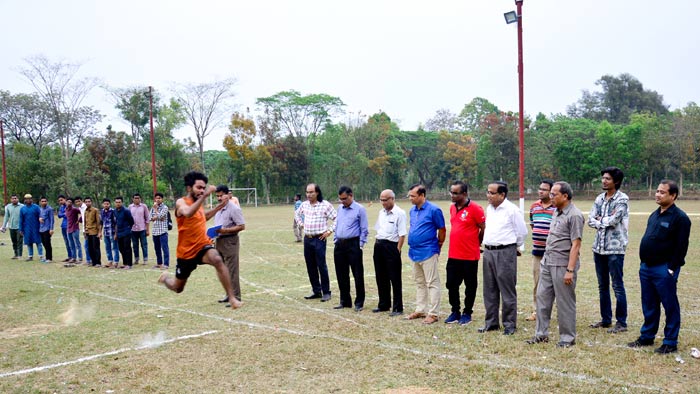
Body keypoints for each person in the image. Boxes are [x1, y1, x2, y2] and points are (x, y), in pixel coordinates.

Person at [158, 171, 242, 310]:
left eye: (204, 188)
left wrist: (219, 207)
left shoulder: (198, 203)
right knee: (177, 287)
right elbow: (188, 213)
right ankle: (165, 279)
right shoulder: (181, 202)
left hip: (202, 245)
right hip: (186, 252)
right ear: (189, 188)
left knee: (217, 259)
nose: (202, 190)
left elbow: (204, 217)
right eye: (199, 187)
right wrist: (205, 196)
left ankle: (232, 298)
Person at [628, 180, 691, 354]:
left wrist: (671, 269)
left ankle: (670, 341)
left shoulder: (680, 218)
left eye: (663, 192)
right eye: (657, 191)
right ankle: (647, 336)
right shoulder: (654, 215)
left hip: (664, 269)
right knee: (649, 304)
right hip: (646, 268)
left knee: (669, 305)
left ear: (673, 196)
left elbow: (681, 247)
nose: (658, 194)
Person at [526, 182, 583, 348]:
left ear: (565, 196)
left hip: (562, 264)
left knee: (565, 302)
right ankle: (541, 334)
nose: (550, 197)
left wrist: (570, 270)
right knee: (542, 298)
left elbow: (576, 244)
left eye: (554, 194)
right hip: (547, 262)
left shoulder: (574, 215)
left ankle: (567, 338)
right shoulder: (556, 212)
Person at [479, 181, 528, 335]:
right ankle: (491, 323)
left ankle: (509, 324)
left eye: (492, 193)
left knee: (507, 290)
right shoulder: (490, 208)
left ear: (502, 195)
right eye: (488, 192)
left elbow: (522, 232)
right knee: (489, 289)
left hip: (505, 252)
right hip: (488, 252)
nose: (489, 195)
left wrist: (514, 247)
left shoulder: (512, 210)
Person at [588, 166, 629, 333]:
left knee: (617, 285)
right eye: (603, 178)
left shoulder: (622, 199)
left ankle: (621, 322)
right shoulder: (600, 198)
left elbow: (614, 220)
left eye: (607, 179)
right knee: (602, 285)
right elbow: (590, 220)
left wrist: (600, 220)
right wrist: (600, 220)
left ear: (616, 181)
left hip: (615, 249)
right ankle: (606, 319)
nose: (604, 181)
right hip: (599, 248)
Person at [444, 181, 485, 325]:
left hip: (469, 255)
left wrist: (477, 242)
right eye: (451, 192)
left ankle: (467, 312)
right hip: (453, 254)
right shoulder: (452, 208)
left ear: (464, 194)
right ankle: (455, 311)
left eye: (455, 193)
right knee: (451, 284)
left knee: (470, 285)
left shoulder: (475, 208)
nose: (452, 195)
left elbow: (483, 228)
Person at [404, 184, 446, 325]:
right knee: (419, 282)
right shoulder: (412, 210)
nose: (410, 198)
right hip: (414, 252)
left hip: (428, 251)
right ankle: (420, 309)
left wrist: (438, 245)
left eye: (413, 196)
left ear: (422, 196)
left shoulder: (434, 210)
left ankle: (433, 314)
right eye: (409, 195)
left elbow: (442, 229)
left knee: (432, 283)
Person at [294, 183, 337, 302]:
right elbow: (297, 214)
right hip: (307, 239)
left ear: (317, 192)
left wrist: (329, 231)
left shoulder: (325, 205)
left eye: (311, 192)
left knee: (321, 265)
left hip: (319, 239)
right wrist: (301, 224)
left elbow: (337, 218)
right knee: (310, 265)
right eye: (307, 192)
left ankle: (326, 292)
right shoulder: (304, 205)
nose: (309, 195)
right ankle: (316, 290)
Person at [332, 186, 369, 312]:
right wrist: (336, 240)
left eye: (345, 198)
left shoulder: (360, 209)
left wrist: (360, 245)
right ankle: (345, 301)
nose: (343, 201)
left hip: (353, 244)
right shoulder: (340, 209)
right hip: (340, 245)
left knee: (357, 274)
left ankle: (359, 302)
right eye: (340, 199)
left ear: (351, 195)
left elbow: (364, 229)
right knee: (341, 274)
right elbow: (337, 224)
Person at [372, 189, 407, 316]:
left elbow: (402, 234)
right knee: (381, 277)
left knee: (395, 278)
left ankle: (398, 308)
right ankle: (384, 304)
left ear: (392, 199)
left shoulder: (400, 213)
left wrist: (397, 249)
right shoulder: (381, 212)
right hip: (379, 245)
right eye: (381, 200)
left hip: (392, 246)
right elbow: (379, 229)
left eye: (385, 200)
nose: (383, 202)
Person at [526, 179, 556, 322]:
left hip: (554, 253)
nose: (540, 191)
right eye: (540, 188)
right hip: (538, 253)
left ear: (551, 192)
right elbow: (534, 226)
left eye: (544, 189)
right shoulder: (534, 207)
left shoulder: (557, 208)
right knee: (537, 283)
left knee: (556, 284)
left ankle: (556, 311)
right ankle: (537, 311)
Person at [214, 185, 245, 306]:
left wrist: (225, 231)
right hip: (219, 241)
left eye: (221, 195)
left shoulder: (234, 209)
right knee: (222, 269)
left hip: (230, 241)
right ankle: (228, 294)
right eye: (217, 196)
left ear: (228, 195)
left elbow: (241, 226)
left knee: (232, 270)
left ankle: (236, 296)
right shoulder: (218, 209)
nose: (219, 198)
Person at [19, 194, 43, 261]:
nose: (28, 200)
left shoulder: (36, 207)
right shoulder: (22, 209)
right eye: (27, 199)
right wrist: (20, 229)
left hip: (36, 227)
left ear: (31, 199)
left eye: (29, 199)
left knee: (38, 242)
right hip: (27, 228)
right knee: (29, 242)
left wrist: (41, 226)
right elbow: (21, 219)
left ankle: (41, 255)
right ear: (25, 200)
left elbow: (40, 216)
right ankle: (30, 256)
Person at [150, 192, 170, 269]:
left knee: (164, 248)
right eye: (156, 198)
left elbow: (161, 216)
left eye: (159, 198)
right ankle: (159, 263)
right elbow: (151, 218)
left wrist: (156, 210)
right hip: (155, 231)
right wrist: (157, 216)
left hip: (163, 231)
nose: (158, 200)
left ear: (162, 199)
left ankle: (166, 264)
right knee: (157, 248)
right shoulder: (152, 207)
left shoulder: (165, 207)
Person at [114, 197, 135, 269]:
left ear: (122, 202)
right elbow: (115, 223)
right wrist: (116, 234)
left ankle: (129, 264)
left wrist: (128, 229)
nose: (118, 204)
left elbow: (131, 221)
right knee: (121, 248)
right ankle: (125, 263)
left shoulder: (126, 211)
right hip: (119, 233)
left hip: (126, 232)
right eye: (116, 202)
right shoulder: (115, 211)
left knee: (127, 248)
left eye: (119, 202)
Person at [129, 193, 150, 264]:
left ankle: (145, 259)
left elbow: (147, 218)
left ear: (140, 199)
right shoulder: (130, 207)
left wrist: (147, 229)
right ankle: (136, 259)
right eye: (135, 198)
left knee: (144, 244)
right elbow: (129, 218)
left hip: (142, 229)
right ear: (133, 199)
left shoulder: (144, 206)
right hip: (133, 229)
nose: (137, 199)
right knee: (135, 245)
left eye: (138, 198)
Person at [1, 194, 24, 259]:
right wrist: (4, 226)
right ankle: (16, 254)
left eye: (15, 198)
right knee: (14, 241)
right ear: (11, 200)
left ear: (18, 199)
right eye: (13, 198)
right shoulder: (8, 206)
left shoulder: (22, 206)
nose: (14, 199)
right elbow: (6, 217)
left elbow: (25, 216)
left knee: (19, 241)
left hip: (19, 227)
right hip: (11, 227)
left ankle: (20, 255)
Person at [83, 197, 102, 267]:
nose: (88, 203)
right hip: (88, 232)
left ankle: (98, 262)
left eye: (89, 201)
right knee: (90, 247)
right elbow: (85, 222)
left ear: (91, 202)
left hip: (94, 231)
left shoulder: (95, 210)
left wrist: (99, 232)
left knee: (96, 247)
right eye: (86, 202)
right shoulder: (85, 211)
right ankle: (93, 262)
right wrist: (85, 231)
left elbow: (98, 222)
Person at [101, 198, 119, 268]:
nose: (106, 205)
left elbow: (116, 223)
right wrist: (100, 232)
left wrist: (115, 234)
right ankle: (110, 261)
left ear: (110, 204)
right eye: (105, 204)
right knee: (107, 247)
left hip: (112, 232)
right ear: (102, 204)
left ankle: (116, 262)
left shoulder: (113, 212)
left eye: (107, 204)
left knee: (114, 247)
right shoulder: (102, 211)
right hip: (105, 233)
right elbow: (101, 222)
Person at [64, 197, 82, 266]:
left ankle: (80, 258)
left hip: (75, 228)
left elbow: (83, 213)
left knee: (77, 244)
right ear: (66, 202)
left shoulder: (74, 209)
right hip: (69, 229)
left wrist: (79, 220)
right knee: (71, 244)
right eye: (68, 202)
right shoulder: (66, 209)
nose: (69, 203)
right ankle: (73, 258)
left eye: (71, 202)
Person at [57, 195, 73, 263]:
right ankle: (69, 256)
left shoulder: (69, 206)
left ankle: (73, 256)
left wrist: (64, 214)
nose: (60, 201)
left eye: (62, 200)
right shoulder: (61, 207)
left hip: (69, 226)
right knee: (66, 242)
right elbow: (59, 215)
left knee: (70, 242)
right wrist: (64, 214)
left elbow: (68, 214)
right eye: (59, 200)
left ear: (65, 199)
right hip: (63, 226)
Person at [38, 197, 55, 263]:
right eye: (42, 201)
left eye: (45, 201)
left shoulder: (49, 209)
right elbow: (39, 217)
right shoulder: (40, 209)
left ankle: (49, 258)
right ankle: (46, 256)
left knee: (47, 243)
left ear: (47, 202)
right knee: (44, 243)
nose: (44, 202)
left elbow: (52, 219)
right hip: (41, 229)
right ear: (40, 202)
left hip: (47, 229)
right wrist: (39, 218)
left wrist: (51, 229)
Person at [75, 196, 90, 265]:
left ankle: (89, 260)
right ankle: (89, 260)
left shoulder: (85, 207)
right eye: (76, 202)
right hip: (85, 229)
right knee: (87, 245)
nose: (78, 203)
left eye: (79, 201)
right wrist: (79, 220)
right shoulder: (80, 208)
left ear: (81, 201)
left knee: (87, 245)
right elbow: (83, 217)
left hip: (89, 229)